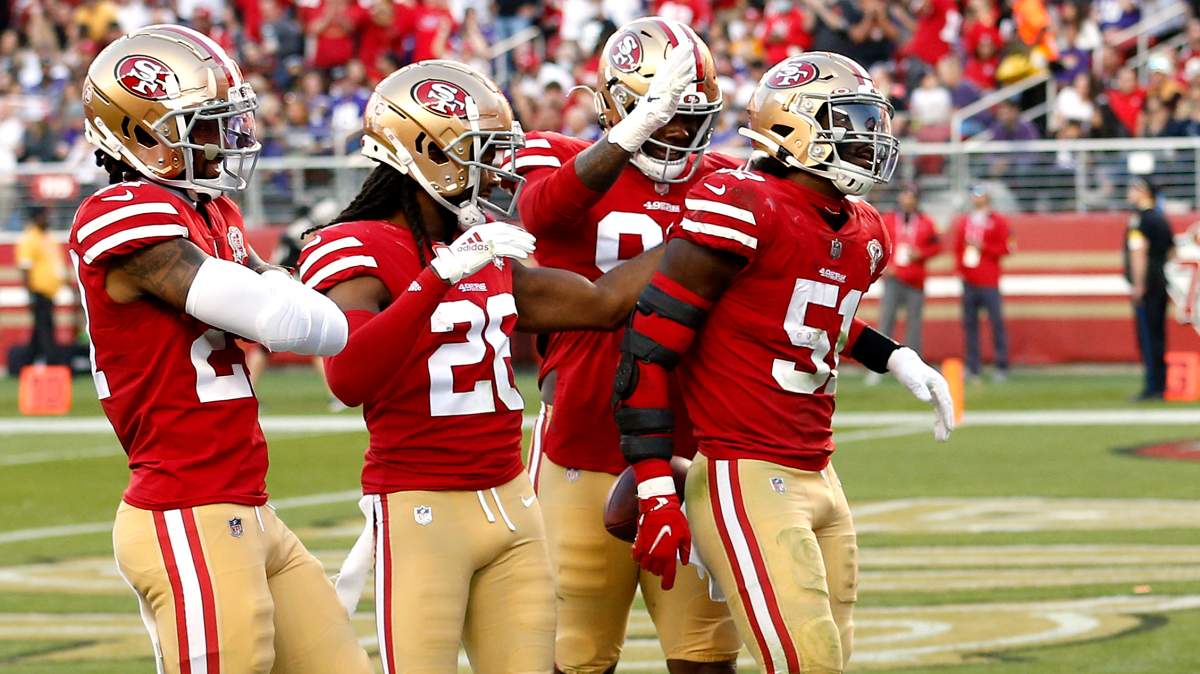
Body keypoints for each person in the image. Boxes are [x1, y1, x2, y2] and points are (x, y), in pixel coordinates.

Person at [298, 60, 665, 674]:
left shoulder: (481, 243)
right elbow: (348, 377)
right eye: (481, 151)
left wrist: (699, 229)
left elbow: (602, 305)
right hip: (421, 506)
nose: (497, 169)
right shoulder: (355, 243)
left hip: (513, 501)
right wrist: (438, 275)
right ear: (427, 152)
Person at [612, 52, 954, 674]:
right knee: (809, 663)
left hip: (819, 470)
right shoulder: (744, 203)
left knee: (831, 659)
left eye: (871, 122)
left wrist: (894, 356)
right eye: (850, 121)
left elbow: (803, 313)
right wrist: (657, 487)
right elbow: (648, 346)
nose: (869, 138)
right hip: (745, 470)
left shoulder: (864, 227)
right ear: (793, 126)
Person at [71, 25, 370, 674]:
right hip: (185, 507)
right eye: (203, 125)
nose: (223, 140)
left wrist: (292, 291)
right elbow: (285, 319)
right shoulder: (121, 214)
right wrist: (293, 288)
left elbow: (309, 316)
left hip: (245, 503)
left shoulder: (214, 214)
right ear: (140, 133)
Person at [511, 17, 742, 673]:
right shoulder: (556, 155)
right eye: (661, 115)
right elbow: (539, 212)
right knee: (577, 654)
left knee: (706, 653)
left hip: (692, 448)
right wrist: (632, 132)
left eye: (687, 117)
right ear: (616, 105)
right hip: (581, 441)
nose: (676, 132)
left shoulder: (729, 182)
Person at [870, 184, 940, 384]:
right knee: (886, 321)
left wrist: (921, 254)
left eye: (912, 197)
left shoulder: (926, 222)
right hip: (893, 278)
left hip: (915, 279)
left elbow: (936, 246)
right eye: (905, 196)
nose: (908, 200)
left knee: (914, 326)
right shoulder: (889, 219)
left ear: (917, 200)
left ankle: (914, 368)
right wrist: (885, 266)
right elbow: (876, 242)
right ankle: (878, 366)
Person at [953, 185, 1012, 381]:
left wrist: (984, 247)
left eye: (981, 196)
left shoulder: (998, 221)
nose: (977, 199)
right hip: (969, 281)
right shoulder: (965, 221)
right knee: (970, 326)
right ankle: (973, 366)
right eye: (974, 196)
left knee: (996, 323)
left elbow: (1007, 248)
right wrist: (960, 270)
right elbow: (958, 248)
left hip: (989, 281)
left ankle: (1001, 365)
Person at [1125, 177, 1176, 400]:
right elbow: (1172, 252)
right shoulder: (1160, 218)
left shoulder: (1141, 220)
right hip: (1160, 282)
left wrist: (1139, 285)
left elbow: (1138, 253)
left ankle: (1153, 386)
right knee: (1158, 336)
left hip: (1147, 285)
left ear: (1144, 192)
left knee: (1147, 337)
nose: (1129, 192)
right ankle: (1160, 385)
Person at [15, 206, 65, 363]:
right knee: (45, 328)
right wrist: (30, 295)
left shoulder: (47, 238)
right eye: (44, 216)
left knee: (40, 329)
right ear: (36, 218)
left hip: (50, 292)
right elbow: (25, 268)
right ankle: (51, 362)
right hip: (38, 292)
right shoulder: (29, 239)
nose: (47, 219)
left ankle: (27, 360)